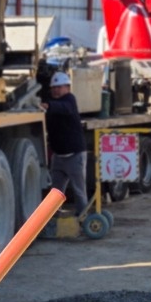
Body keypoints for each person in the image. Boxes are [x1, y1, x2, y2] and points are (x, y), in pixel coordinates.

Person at [41, 70, 89, 214]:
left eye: (59, 87)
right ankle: (52, 219)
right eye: (54, 87)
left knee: (79, 191)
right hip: (59, 157)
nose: (56, 90)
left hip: (75, 156)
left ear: (67, 87)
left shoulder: (69, 100)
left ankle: (83, 218)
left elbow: (64, 108)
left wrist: (48, 106)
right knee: (55, 193)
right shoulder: (52, 102)